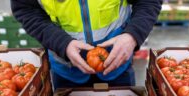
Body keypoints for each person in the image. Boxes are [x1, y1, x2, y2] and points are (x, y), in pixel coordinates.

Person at [11, 0, 162, 88]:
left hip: (117, 63)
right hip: (66, 69)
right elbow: (26, 9)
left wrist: (132, 35)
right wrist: (61, 43)